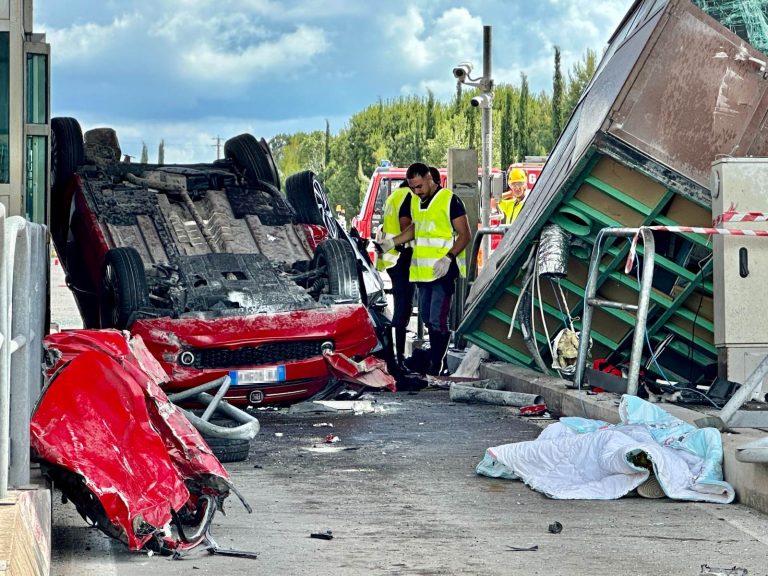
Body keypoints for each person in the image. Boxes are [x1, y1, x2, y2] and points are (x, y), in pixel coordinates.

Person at [376, 162, 471, 376]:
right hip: (423, 273)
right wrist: (393, 242)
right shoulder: (417, 203)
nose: (416, 191)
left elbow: (465, 234)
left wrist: (449, 257)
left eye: (419, 186)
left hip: (443, 272)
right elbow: (415, 229)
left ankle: (437, 365)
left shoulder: (450, 200)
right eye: (412, 187)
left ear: (430, 178)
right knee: (428, 318)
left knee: (438, 320)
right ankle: (436, 362)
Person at [375, 180, 414, 373]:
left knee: (400, 307)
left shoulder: (393, 197)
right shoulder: (408, 196)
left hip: (392, 259)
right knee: (403, 310)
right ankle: (398, 360)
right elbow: (406, 225)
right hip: (402, 256)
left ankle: (396, 358)